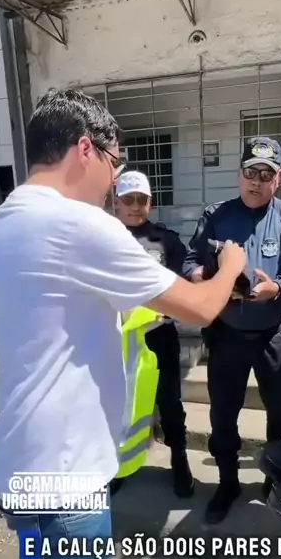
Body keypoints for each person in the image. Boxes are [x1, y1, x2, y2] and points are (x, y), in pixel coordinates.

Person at [0, 88, 246, 559]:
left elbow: (62, 313)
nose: (114, 177)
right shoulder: (79, 224)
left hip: (23, 466)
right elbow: (201, 307)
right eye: (114, 159)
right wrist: (231, 264)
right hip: (66, 478)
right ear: (84, 149)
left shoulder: (6, 220)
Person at [183, 136, 281, 524]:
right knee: (223, 415)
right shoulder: (216, 215)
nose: (256, 181)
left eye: (266, 174)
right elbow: (190, 261)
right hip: (226, 335)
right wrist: (204, 277)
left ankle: (276, 480)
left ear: (279, 178)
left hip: (274, 334)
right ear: (240, 174)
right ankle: (228, 483)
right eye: (250, 172)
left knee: (280, 415)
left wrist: (277, 288)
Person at [113, 170, 193, 498]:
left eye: (141, 199)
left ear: (150, 202)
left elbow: (182, 283)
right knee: (119, 404)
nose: (135, 206)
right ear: (116, 202)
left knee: (169, 401)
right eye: (128, 199)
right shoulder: (103, 237)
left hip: (158, 336)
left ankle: (179, 458)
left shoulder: (166, 241)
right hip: (116, 340)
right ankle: (119, 464)